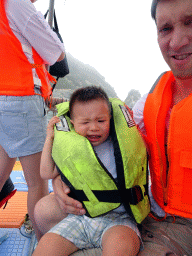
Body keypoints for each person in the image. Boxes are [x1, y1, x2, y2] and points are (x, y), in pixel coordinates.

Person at [35, 0, 192, 255]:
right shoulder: (155, 95)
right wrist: (58, 181)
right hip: (149, 209)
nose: (177, 42)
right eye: (166, 29)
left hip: (179, 224)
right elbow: (112, 129)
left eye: (190, 22)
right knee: (43, 211)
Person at [33, 86, 150, 255]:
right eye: (85, 122)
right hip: (81, 218)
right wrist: (50, 138)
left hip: (119, 221)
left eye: (101, 121)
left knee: (121, 247)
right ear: (73, 124)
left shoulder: (122, 145)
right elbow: (46, 173)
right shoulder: (72, 149)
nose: (94, 127)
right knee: (44, 249)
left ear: (110, 119)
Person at [0, 0, 65, 241]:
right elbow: (57, 53)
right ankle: (41, 242)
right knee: (38, 181)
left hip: (3, 103)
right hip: (20, 101)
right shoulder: (17, 3)